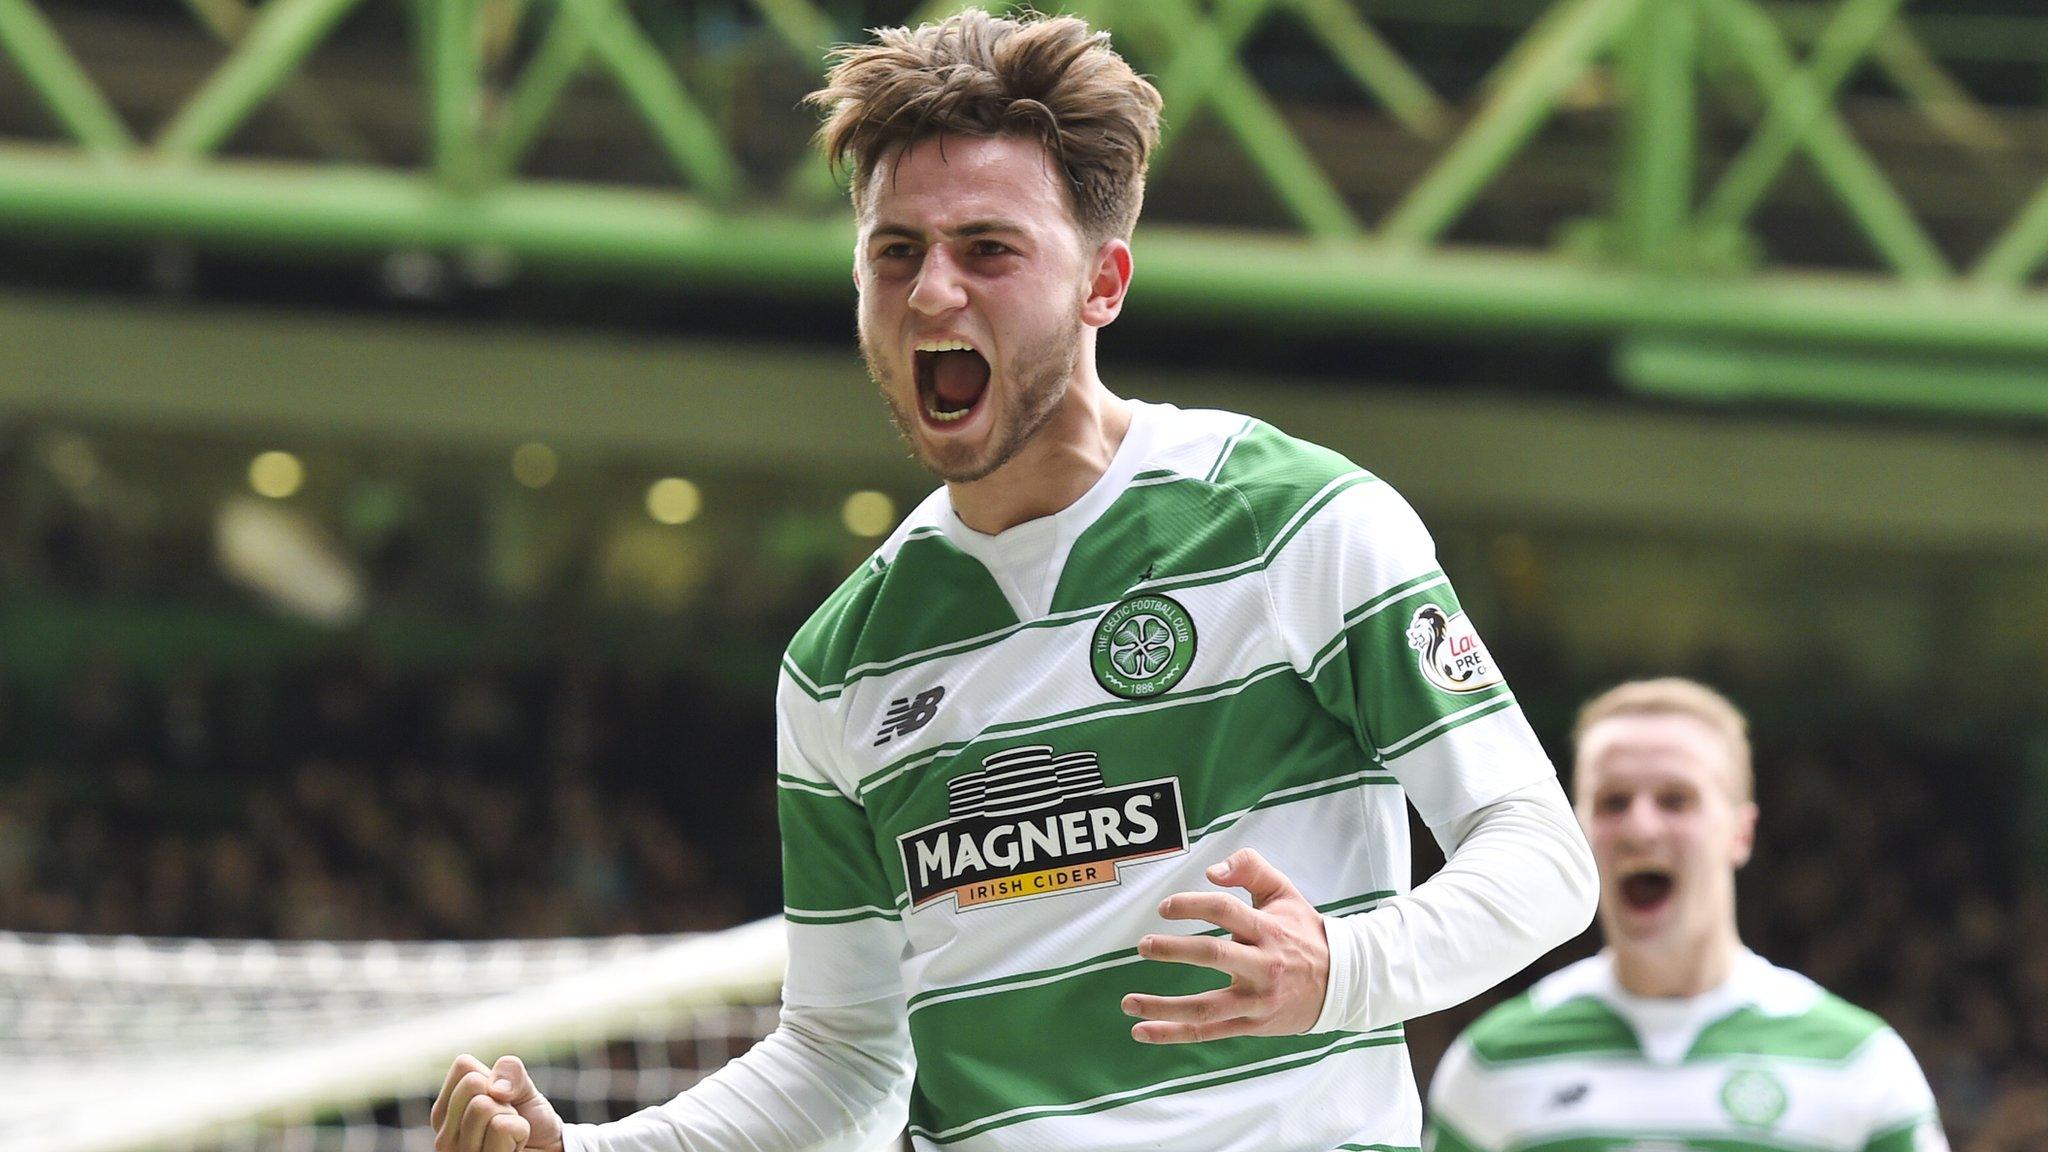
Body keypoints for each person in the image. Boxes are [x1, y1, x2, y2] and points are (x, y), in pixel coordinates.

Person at [432, 10, 1595, 1151]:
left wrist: (1344, 967)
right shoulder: (841, 662)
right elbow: (841, 1052)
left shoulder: (1295, 522)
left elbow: (1541, 858)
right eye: (896, 253)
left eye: (987, 249)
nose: (933, 292)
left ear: (1103, 282)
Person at [1426, 678, 1949, 1152]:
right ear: (1578, 830)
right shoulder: (1491, 1067)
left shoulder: (1861, 1066)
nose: (1640, 829)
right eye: (1613, 802)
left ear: (1740, 832)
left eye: (1676, 800)